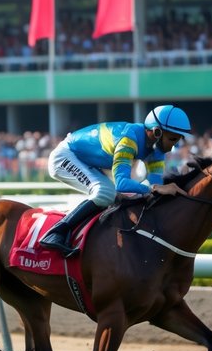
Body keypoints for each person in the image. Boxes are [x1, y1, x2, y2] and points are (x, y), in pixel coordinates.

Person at [38, 104, 191, 256]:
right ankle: (57, 232)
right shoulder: (128, 139)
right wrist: (154, 189)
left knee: (112, 196)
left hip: (84, 161)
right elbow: (122, 184)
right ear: (156, 132)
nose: (173, 147)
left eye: (177, 141)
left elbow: (155, 184)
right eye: (172, 139)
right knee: (105, 193)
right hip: (64, 156)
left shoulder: (157, 151)